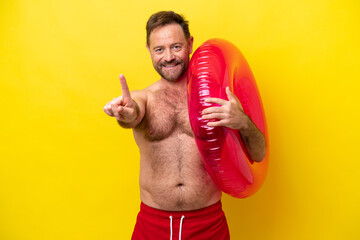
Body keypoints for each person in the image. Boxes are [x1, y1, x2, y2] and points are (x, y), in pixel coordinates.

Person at [103, 11, 266, 240]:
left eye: (176, 47)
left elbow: (259, 155)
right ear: (149, 50)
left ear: (190, 44)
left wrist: (242, 121)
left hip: (208, 225)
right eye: (159, 49)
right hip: (152, 226)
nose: (168, 57)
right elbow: (133, 114)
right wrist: (125, 114)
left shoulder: (220, 97)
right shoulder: (144, 99)